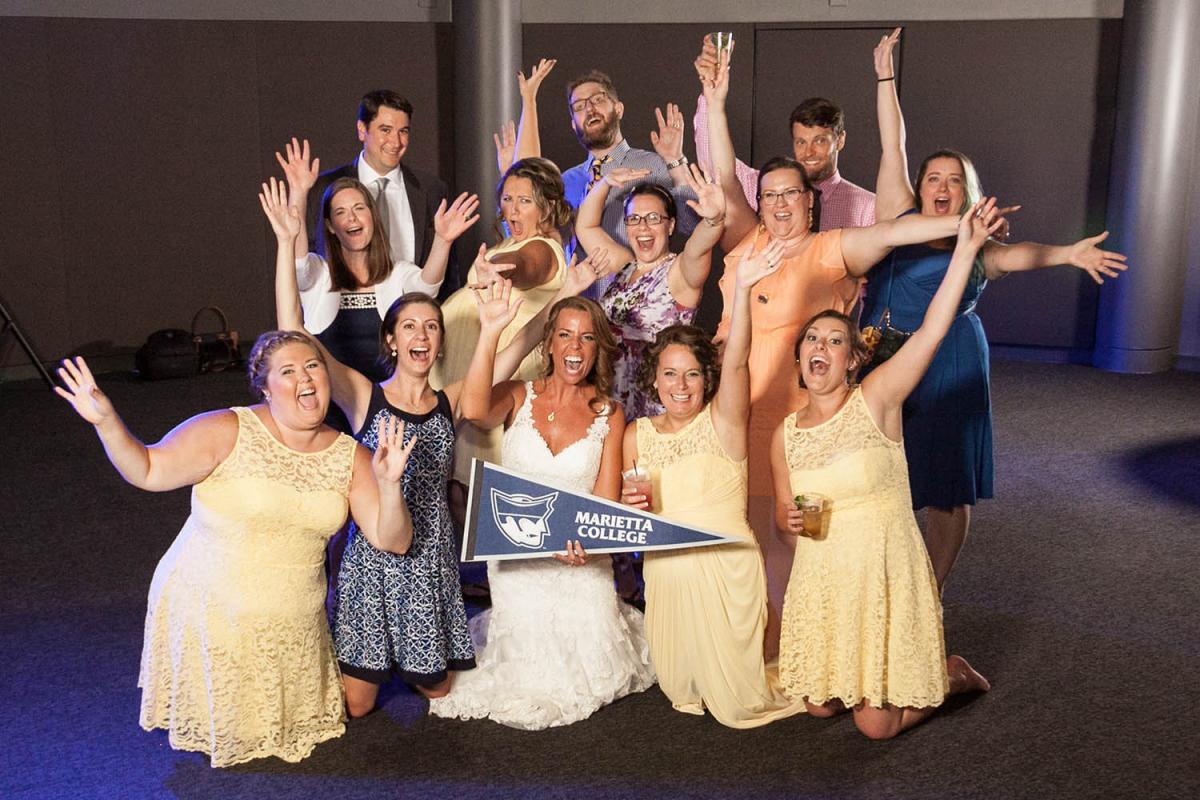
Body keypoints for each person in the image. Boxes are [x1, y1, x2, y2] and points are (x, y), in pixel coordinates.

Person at [263, 178, 598, 716]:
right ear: (392, 341)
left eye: (432, 327)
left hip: (427, 566)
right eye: (409, 326)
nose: (422, 335)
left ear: (439, 342)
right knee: (357, 707)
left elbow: (518, 345)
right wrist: (286, 243)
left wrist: (557, 297)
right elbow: (292, 334)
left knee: (441, 693)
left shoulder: (452, 401)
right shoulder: (362, 397)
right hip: (371, 566)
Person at [703, 57, 982, 650]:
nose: (779, 205)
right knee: (748, 524)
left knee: (800, 532)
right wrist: (717, 102)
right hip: (736, 403)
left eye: (792, 195)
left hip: (801, 408)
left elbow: (889, 234)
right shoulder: (747, 239)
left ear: (811, 201)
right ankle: (763, 630)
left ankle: (812, 637)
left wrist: (962, 224)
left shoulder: (830, 249)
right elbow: (725, 179)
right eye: (770, 195)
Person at [54, 336, 415, 766]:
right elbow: (148, 469)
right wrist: (107, 422)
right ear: (264, 387)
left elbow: (393, 539)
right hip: (213, 613)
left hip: (293, 627)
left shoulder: (350, 456)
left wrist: (391, 487)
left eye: (314, 367)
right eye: (289, 371)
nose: (306, 378)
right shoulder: (225, 429)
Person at [870, 28, 1128, 591]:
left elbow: (1018, 256)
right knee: (881, 476)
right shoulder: (899, 217)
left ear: (968, 194)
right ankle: (881, 588)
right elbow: (894, 145)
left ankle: (931, 593)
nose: (941, 186)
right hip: (882, 358)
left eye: (954, 182)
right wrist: (884, 77)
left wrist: (1068, 253)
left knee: (947, 483)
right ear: (920, 187)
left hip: (950, 362)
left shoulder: (979, 247)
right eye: (933, 178)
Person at [770, 199, 1001, 739]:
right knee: (819, 708)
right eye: (812, 340)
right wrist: (791, 522)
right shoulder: (784, 433)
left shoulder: (877, 398)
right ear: (800, 357)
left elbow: (931, 333)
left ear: (852, 360)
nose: (820, 347)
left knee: (877, 727)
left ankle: (952, 677)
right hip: (825, 582)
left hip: (882, 573)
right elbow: (785, 520)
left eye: (834, 340)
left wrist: (966, 250)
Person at [428, 295, 655, 730]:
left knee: (592, 672)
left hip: (580, 561)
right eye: (565, 335)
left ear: (598, 348)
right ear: (549, 344)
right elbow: (473, 410)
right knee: (517, 670)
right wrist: (492, 330)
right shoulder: (518, 395)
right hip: (518, 558)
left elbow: (604, 504)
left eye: (587, 338)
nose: (575, 347)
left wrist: (586, 549)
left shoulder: (610, 413)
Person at [619, 237, 806, 728]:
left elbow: (740, 359)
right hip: (666, 576)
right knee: (681, 690)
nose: (681, 387)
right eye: (670, 375)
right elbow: (629, 511)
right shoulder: (636, 435)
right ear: (653, 380)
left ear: (707, 379)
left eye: (692, 375)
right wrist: (630, 509)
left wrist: (742, 289)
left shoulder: (724, 422)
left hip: (725, 571)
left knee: (739, 703)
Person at [430, 157, 588, 520]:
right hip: (469, 370)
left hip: (502, 372)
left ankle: (491, 574)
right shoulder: (506, 243)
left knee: (480, 491)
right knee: (458, 489)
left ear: (546, 207)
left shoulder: (542, 249)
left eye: (524, 201)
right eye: (507, 199)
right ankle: (471, 574)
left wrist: (502, 269)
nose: (511, 209)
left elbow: (524, 264)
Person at [276, 138, 478, 382]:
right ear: (330, 226)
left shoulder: (397, 274)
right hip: (330, 405)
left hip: (385, 405)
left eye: (359, 208)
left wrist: (442, 241)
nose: (352, 218)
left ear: (372, 217)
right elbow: (297, 265)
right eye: (341, 212)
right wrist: (298, 193)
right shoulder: (319, 274)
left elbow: (427, 286)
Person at [576, 162, 725, 419]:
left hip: (652, 408)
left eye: (653, 218)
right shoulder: (623, 266)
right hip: (607, 401)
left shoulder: (679, 273)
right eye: (634, 219)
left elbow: (698, 248)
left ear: (670, 225)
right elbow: (585, 227)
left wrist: (713, 220)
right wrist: (605, 184)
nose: (643, 228)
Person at [692, 35, 875, 228]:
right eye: (801, 142)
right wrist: (711, 97)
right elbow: (719, 169)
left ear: (840, 140)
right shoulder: (766, 186)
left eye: (819, 141)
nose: (809, 152)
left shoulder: (867, 207)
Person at [305, 90, 457, 293]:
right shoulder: (324, 188)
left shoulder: (432, 190)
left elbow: (447, 272)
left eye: (403, 131)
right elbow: (305, 266)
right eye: (385, 130)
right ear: (362, 130)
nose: (396, 142)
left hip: (414, 314)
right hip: (344, 315)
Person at [560, 70, 698, 259]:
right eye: (579, 106)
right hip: (580, 287)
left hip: (638, 285)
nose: (590, 109)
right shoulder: (564, 182)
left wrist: (675, 160)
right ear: (574, 125)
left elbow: (690, 224)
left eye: (598, 100)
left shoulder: (653, 165)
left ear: (618, 109)